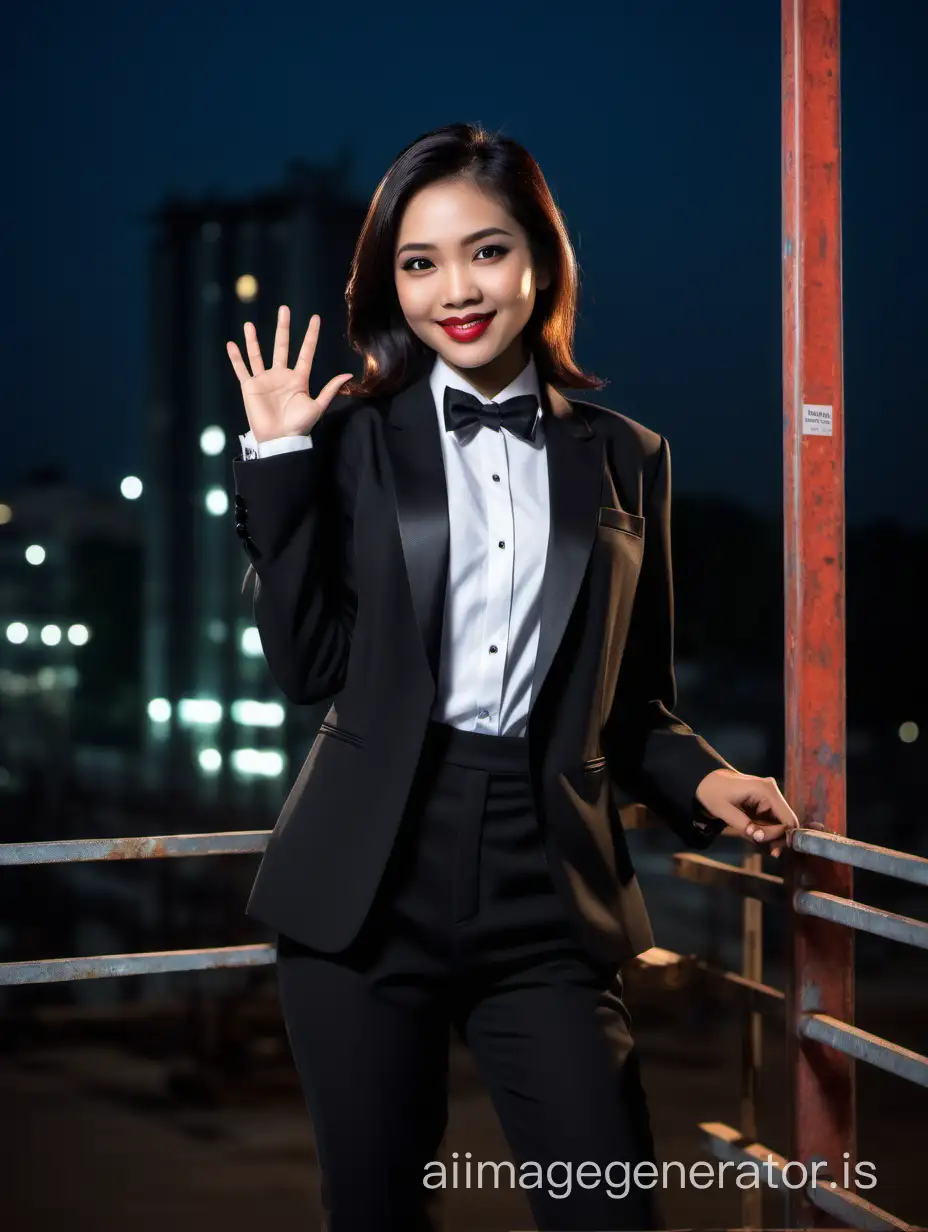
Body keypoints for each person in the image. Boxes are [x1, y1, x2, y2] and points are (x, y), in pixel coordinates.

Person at [226, 122, 799, 1232]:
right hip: (363, 891)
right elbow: (307, 670)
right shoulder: (346, 438)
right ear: (393, 284)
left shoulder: (629, 454)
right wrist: (278, 463)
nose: (456, 289)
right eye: (419, 262)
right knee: (381, 1212)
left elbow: (634, 702)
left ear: (540, 258)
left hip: (547, 886)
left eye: (485, 251)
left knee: (606, 1205)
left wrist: (704, 779)